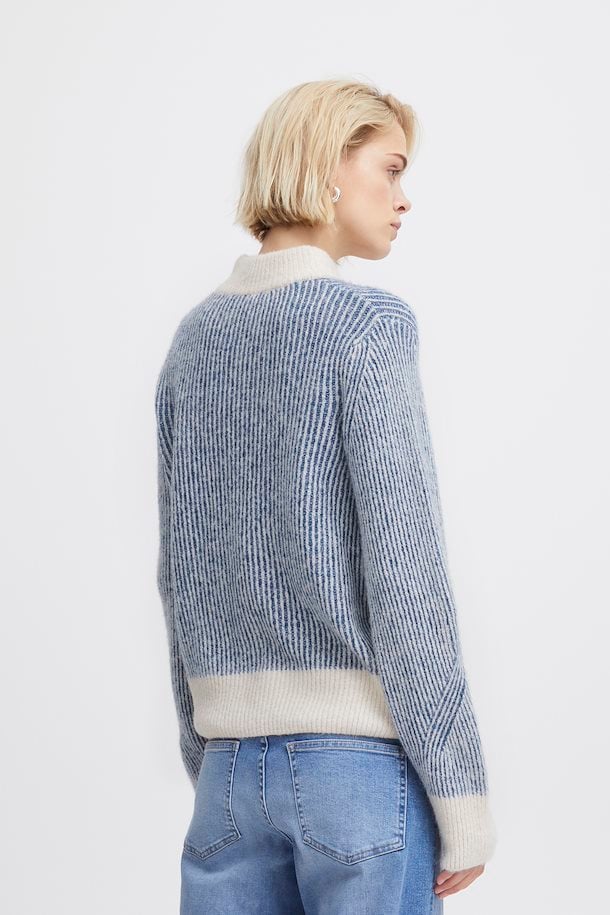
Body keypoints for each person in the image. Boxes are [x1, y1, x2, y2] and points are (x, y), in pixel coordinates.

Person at [154, 77, 497, 914]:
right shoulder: (366, 325)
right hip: (357, 775)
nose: (404, 199)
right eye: (392, 169)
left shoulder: (193, 340)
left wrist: (212, 751)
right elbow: (406, 571)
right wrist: (461, 793)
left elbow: (178, 572)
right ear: (326, 168)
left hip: (227, 778)